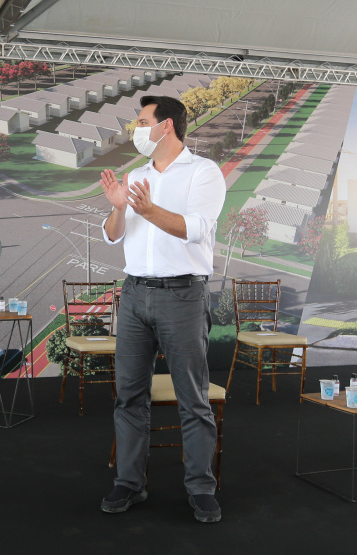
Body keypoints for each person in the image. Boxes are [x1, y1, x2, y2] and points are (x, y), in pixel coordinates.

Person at [98, 95, 226, 523]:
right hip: (134, 296)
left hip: (183, 297)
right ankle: (129, 483)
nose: (137, 129)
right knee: (129, 396)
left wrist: (148, 209)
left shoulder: (204, 173)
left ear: (166, 125)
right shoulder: (137, 174)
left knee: (193, 399)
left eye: (142, 120)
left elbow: (196, 229)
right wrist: (119, 209)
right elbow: (114, 236)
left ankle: (202, 488)